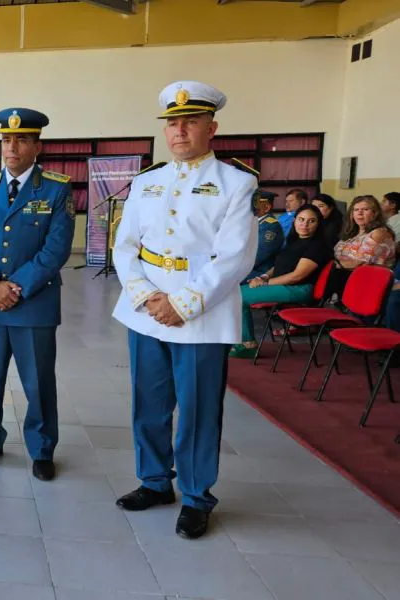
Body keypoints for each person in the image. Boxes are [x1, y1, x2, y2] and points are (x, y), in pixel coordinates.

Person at [111, 81, 258, 539]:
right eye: (173, 123)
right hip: (146, 311)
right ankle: (155, 482)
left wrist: (183, 303)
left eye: (190, 122)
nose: (179, 131)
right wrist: (145, 296)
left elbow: (235, 257)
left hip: (202, 316)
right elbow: (125, 246)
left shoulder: (237, 183)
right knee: (149, 403)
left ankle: (196, 497)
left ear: (211, 128)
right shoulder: (146, 181)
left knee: (197, 410)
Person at [0, 107, 75, 482]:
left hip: (35, 304)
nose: (12, 147)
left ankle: (41, 448)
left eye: (22, 140)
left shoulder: (56, 189)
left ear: (37, 147)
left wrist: (15, 287)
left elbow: (56, 250)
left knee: (37, 381)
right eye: (7, 140)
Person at [231, 205, 333, 358]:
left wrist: (264, 284)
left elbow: (296, 276)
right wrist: (263, 277)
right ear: (294, 221)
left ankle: (247, 344)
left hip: (299, 289)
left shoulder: (317, 246)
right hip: (285, 286)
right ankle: (244, 341)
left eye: (311, 221)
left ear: (318, 224)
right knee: (235, 294)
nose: (304, 224)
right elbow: (279, 266)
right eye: (301, 219)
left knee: (237, 296)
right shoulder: (294, 240)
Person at [324, 195, 396, 300]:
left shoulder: (379, 233)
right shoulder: (353, 233)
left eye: (365, 209)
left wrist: (333, 262)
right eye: (356, 210)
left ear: (375, 213)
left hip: (368, 281)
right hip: (346, 277)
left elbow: (358, 263)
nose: (359, 213)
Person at [244, 190, 283, 282]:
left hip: (260, 272)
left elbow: (259, 255)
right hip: (249, 268)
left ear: (266, 207)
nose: (250, 207)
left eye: (254, 204)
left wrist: (236, 267)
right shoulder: (256, 222)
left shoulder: (271, 227)